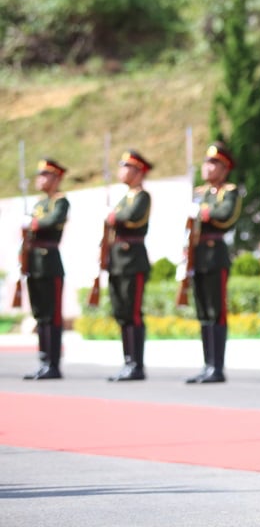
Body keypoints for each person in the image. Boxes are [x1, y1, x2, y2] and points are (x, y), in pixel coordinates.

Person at [184, 141, 243, 384]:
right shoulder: (199, 192)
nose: (208, 168)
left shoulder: (229, 192)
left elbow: (226, 215)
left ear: (224, 168)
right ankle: (207, 364)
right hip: (197, 254)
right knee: (203, 313)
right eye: (206, 163)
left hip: (215, 253)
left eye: (213, 163)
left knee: (216, 312)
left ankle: (217, 366)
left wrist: (204, 212)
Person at [21, 158, 70, 380]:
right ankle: (43, 361)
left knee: (52, 316)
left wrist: (32, 224)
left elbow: (51, 221)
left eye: (45, 175)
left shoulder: (60, 202)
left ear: (56, 178)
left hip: (50, 264)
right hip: (34, 264)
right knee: (40, 315)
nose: (39, 179)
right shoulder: (39, 204)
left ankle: (53, 363)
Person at [107, 149, 154, 382]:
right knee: (122, 313)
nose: (122, 171)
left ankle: (136, 364)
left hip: (133, 260)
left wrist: (114, 217)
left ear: (139, 171)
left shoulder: (142, 197)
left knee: (133, 313)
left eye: (127, 167)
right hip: (117, 261)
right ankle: (127, 361)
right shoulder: (123, 198)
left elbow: (131, 217)